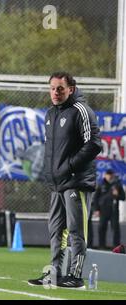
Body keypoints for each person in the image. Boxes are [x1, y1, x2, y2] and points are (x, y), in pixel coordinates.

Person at [28, 72, 102, 289]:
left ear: (71, 88)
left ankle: (76, 276)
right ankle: (54, 273)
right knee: (56, 230)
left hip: (76, 182)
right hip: (57, 184)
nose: (55, 92)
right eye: (52, 88)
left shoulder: (81, 111)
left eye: (60, 88)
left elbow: (95, 144)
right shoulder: (50, 114)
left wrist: (68, 167)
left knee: (76, 230)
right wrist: (53, 174)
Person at [92, 169, 125, 249]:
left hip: (114, 210)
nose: (109, 176)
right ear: (105, 175)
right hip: (103, 210)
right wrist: (96, 209)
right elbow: (95, 198)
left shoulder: (117, 185)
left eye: (111, 174)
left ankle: (116, 246)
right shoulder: (100, 184)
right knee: (102, 228)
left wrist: (117, 195)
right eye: (108, 174)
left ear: (113, 175)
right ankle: (101, 245)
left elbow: (123, 197)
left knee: (115, 229)